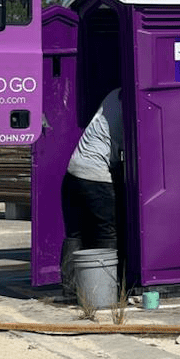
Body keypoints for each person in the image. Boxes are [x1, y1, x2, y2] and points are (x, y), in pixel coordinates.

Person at [60, 87, 123, 296]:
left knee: (75, 234)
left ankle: (69, 289)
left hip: (73, 171)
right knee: (106, 232)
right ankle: (106, 290)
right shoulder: (131, 105)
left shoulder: (112, 94)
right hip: (96, 176)